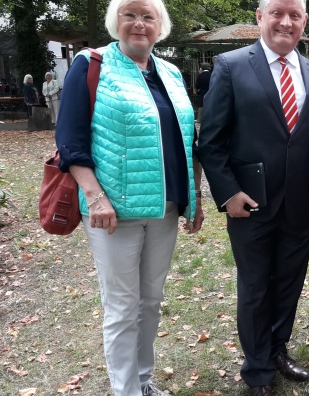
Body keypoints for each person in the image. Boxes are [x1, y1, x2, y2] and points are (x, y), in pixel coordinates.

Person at [54, 0, 204, 394]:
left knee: (150, 302)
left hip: (165, 208)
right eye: (130, 14)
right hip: (112, 213)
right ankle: (125, 391)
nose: (139, 23)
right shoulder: (92, 65)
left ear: (160, 25)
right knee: (122, 307)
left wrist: (194, 198)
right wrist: (95, 196)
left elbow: (185, 141)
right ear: (115, 21)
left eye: (148, 16)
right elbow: (70, 140)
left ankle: (143, 381)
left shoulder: (170, 72)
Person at [197, 0, 309, 394]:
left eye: (295, 15)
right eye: (277, 12)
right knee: (256, 288)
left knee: (289, 283)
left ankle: (277, 349)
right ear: (261, 17)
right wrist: (227, 193)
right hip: (249, 204)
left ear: (304, 22)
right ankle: (257, 369)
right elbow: (211, 141)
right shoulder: (231, 66)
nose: (286, 22)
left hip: (300, 205)